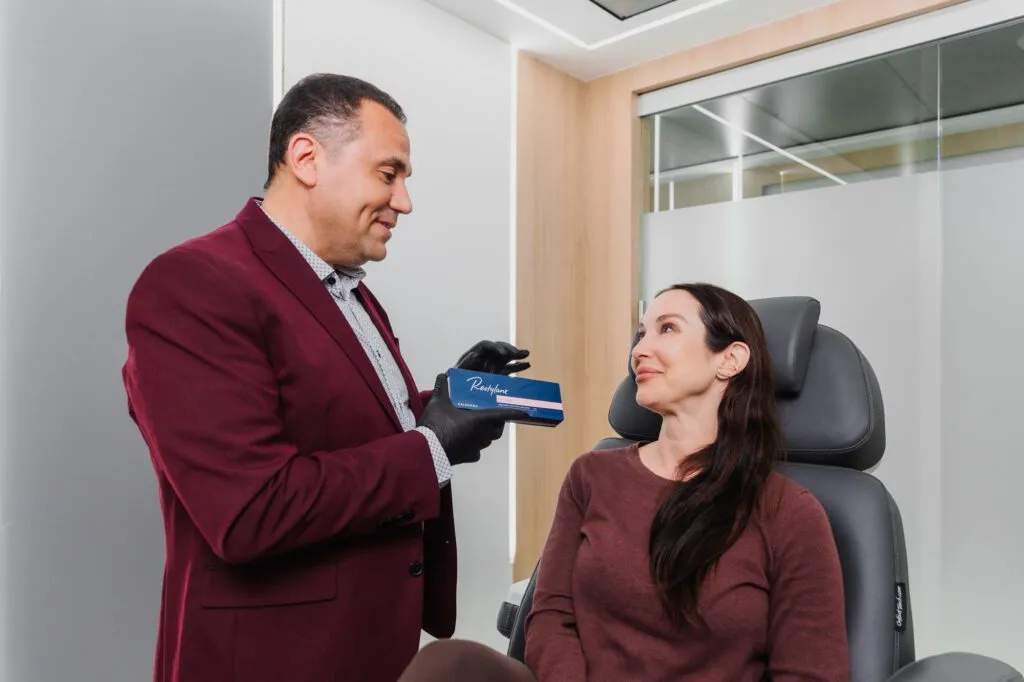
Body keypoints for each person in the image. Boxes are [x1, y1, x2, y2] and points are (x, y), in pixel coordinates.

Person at [121, 73, 529, 682]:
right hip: (274, 657)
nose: (404, 201)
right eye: (388, 174)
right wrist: (434, 443)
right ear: (307, 158)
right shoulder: (193, 284)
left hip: (369, 643)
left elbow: (340, 422)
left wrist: (443, 402)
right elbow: (251, 510)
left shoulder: (350, 291)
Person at [397, 282, 849, 682]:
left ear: (729, 359)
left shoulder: (788, 510)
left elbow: (810, 672)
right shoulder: (593, 475)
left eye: (667, 329)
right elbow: (552, 615)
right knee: (448, 665)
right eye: (640, 334)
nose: (639, 351)